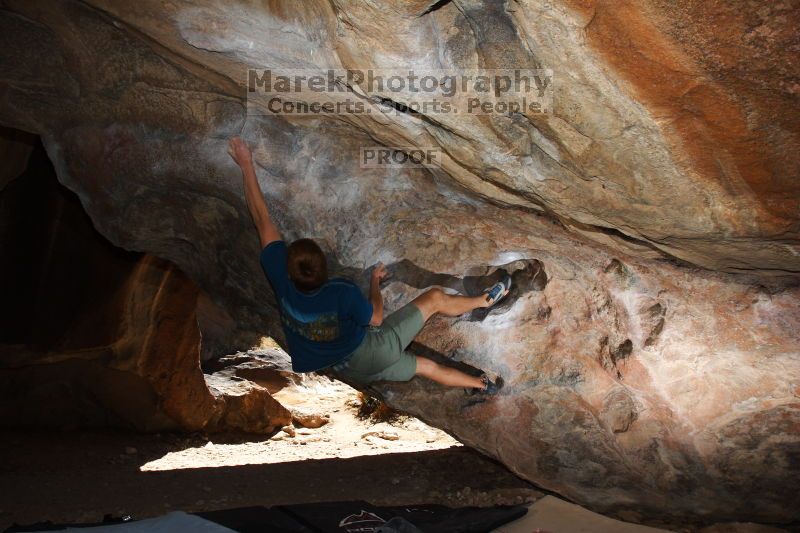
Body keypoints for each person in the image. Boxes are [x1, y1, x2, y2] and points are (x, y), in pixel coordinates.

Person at [228, 137, 509, 393]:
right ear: (323, 268)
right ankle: (483, 301)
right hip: (371, 351)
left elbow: (260, 218)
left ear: (288, 268)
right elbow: (375, 317)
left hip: (351, 369)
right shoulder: (340, 291)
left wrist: (245, 165)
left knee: (427, 368)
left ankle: (482, 385)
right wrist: (375, 281)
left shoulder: (281, 280)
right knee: (434, 299)